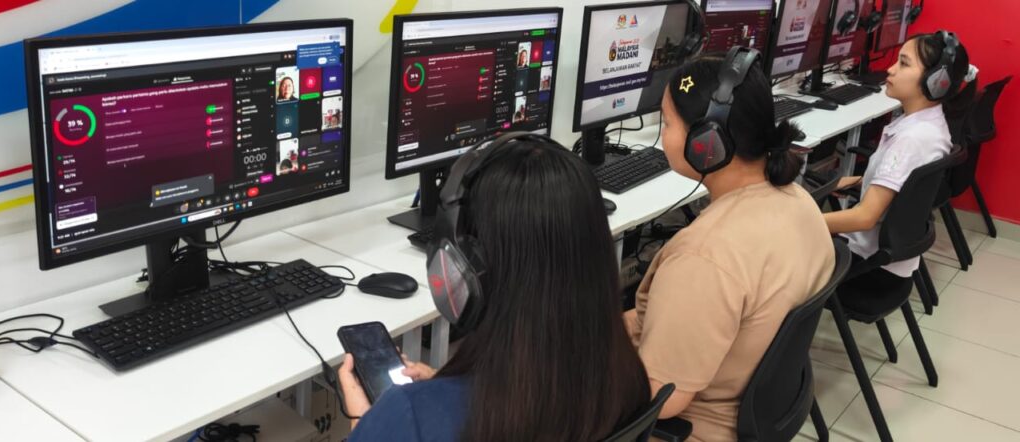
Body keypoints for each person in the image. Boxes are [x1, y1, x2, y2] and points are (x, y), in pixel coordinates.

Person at [340, 136, 651, 441]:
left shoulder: (408, 417)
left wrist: (366, 423)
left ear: (466, 266)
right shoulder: (627, 380)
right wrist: (440, 390)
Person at [623, 49, 835, 441]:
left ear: (706, 142)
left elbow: (662, 401)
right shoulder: (798, 202)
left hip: (698, 428)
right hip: (758, 408)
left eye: (666, 122)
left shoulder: (704, 257)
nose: (662, 134)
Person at [825, 31, 975, 281]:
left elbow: (864, 218)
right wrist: (857, 181)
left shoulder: (912, 139)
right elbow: (903, 183)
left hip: (865, 265)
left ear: (936, 81)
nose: (891, 69)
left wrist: (804, 221)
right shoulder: (930, 125)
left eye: (904, 63)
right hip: (887, 260)